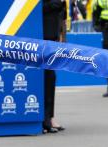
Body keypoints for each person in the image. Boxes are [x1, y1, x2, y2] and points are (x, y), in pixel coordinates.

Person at [42, 0, 67, 133]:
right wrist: (58, 3)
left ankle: (49, 117)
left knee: (50, 79)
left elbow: (62, 14)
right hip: (41, 38)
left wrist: (63, 35)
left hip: (53, 38)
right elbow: (39, 8)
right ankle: (44, 119)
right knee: (46, 78)